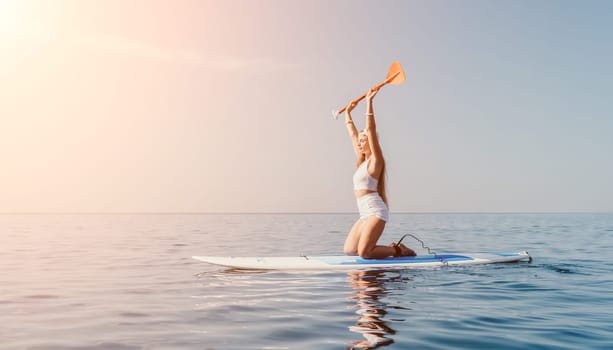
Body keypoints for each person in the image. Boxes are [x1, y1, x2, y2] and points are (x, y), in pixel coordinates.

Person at [343, 88, 416, 259]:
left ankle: (399, 250)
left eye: (364, 140)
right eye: (359, 141)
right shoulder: (361, 162)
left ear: (371, 141)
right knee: (349, 250)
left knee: (365, 253)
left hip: (376, 211)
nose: (360, 143)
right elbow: (353, 135)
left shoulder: (376, 162)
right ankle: (391, 249)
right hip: (364, 214)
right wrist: (347, 113)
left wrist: (369, 102)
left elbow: (371, 128)